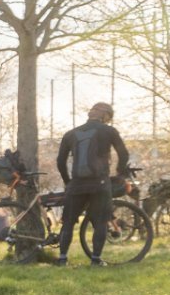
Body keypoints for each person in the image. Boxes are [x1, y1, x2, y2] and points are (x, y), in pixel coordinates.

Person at [55, 102, 131, 266]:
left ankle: (62, 259)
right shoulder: (109, 131)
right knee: (101, 222)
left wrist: (68, 182)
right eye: (108, 118)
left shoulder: (70, 134)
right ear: (104, 116)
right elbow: (123, 154)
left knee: (68, 222)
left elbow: (60, 162)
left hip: (76, 184)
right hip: (100, 183)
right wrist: (120, 172)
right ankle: (96, 260)